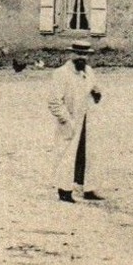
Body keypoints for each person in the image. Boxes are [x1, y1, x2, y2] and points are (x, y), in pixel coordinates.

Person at [48, 40, 103, 203]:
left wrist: (97, 93)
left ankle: (87, 188)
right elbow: (54, 101)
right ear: (70, 54)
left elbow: (94, 88)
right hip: (70, 120)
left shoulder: (89, 71)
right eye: (78, 54)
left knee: (88, 154)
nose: (81, 58)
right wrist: (65, 120)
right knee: (66, 154)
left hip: (87, 119)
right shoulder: (61, 73)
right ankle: (64, 190)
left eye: (84, 54)